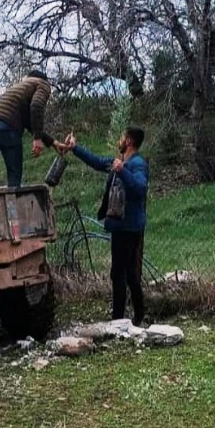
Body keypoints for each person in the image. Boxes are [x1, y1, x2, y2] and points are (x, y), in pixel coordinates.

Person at [58, 127, 148, 326]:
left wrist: (122, 171)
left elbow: (140, 189)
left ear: (130, 141)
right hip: (121, 226)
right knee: (129, 272)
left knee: (119, 273)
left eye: (122, 137)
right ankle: (137, 315)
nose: (120, 140)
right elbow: (97, 162)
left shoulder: (137, 164)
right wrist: (75, 148)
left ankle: (119, 319)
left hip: (128, 227)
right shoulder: (121, 162)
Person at [0, 69, 54, 189]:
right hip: (7, 127)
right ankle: (13, 207)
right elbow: (36, 105)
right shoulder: (43, 84)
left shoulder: (19, 87)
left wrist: (52, 142)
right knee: (14, 178)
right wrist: (37, 139)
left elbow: (29, 122)